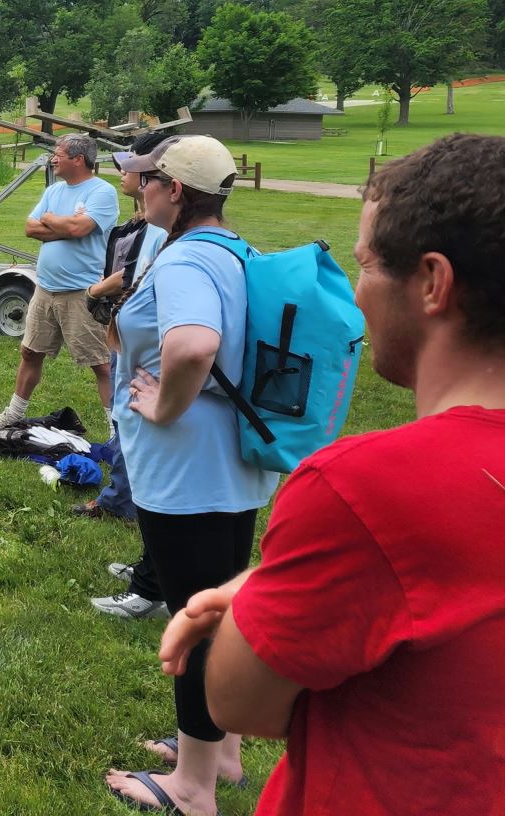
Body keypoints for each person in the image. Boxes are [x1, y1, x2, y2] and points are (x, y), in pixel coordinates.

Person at [158, 133, 505, 816]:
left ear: (433, 283)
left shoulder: (364, 491)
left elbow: (238, 701)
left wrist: (247, 601)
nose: (356, 292)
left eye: (367, 265)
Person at [100, 135, 275, 815]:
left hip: (188, 474)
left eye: (150, 183)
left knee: (194, 622)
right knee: (219, 617)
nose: (141, 192)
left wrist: (163, 407)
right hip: (230, 467)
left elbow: (195, 344)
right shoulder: (236, 251)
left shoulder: (187, 260)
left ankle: (192, 789)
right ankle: (216, 754)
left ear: (176, 191)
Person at [84, 132, 175, 623]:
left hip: (152, 376)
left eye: (135, 169)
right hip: (139, 367)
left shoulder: (169, 239)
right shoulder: (152, 228)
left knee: (157, 479)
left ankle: (151, 590)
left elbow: (192, 334)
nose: (126, 174)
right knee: (144, 468)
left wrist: (168, 394)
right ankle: (151, 569)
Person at [0, 133, 118, 433]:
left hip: (82, 293)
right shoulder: (55, 190)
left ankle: (116, 429)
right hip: (45, 289)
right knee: (30, 352)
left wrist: (57, 222)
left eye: (58, 154)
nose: (53, 159)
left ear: (78, 159)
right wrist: (67, 226)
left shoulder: (102, 192)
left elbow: (81, 227)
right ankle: (14, 414)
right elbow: (31, 228)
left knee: (101, 364)